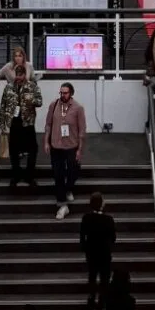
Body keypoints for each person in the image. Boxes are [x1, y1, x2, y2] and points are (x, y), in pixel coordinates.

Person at [43, 83, 86, 220]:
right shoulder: (54, 105)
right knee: (58, 174)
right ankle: (62, 205)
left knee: (74, 168)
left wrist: (80, 149)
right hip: (56, 145)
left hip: (71, 145)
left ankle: (68, 188)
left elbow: (82, 130)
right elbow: (48, 124)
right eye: (61, 92)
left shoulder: (78, 108)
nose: (63, 95)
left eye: (65, 93)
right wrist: (46, 142)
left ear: (71, 93)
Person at [0, 65, 42, 188]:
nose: (18, 77)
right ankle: (16, 176)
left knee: (33, 150)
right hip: (14, 123)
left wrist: (31, 100)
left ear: (24, 75)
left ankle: (29, 176)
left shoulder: (32, 86)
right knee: (13, 151)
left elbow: (39, 102)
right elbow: (3, 105)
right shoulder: (9, 87)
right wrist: (2, 123)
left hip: (28, 123)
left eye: (20, 75)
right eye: (16, 75)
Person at [80, 193, 116, 306]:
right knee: (104, 277)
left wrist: (85, 248)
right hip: (104, 253)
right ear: (101, 204)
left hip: (91, 253)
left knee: (92, 275)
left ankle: (91, 297)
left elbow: (82, 236)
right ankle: (102, 299)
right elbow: (113, 237)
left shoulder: (86, 218)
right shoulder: (108, 219)